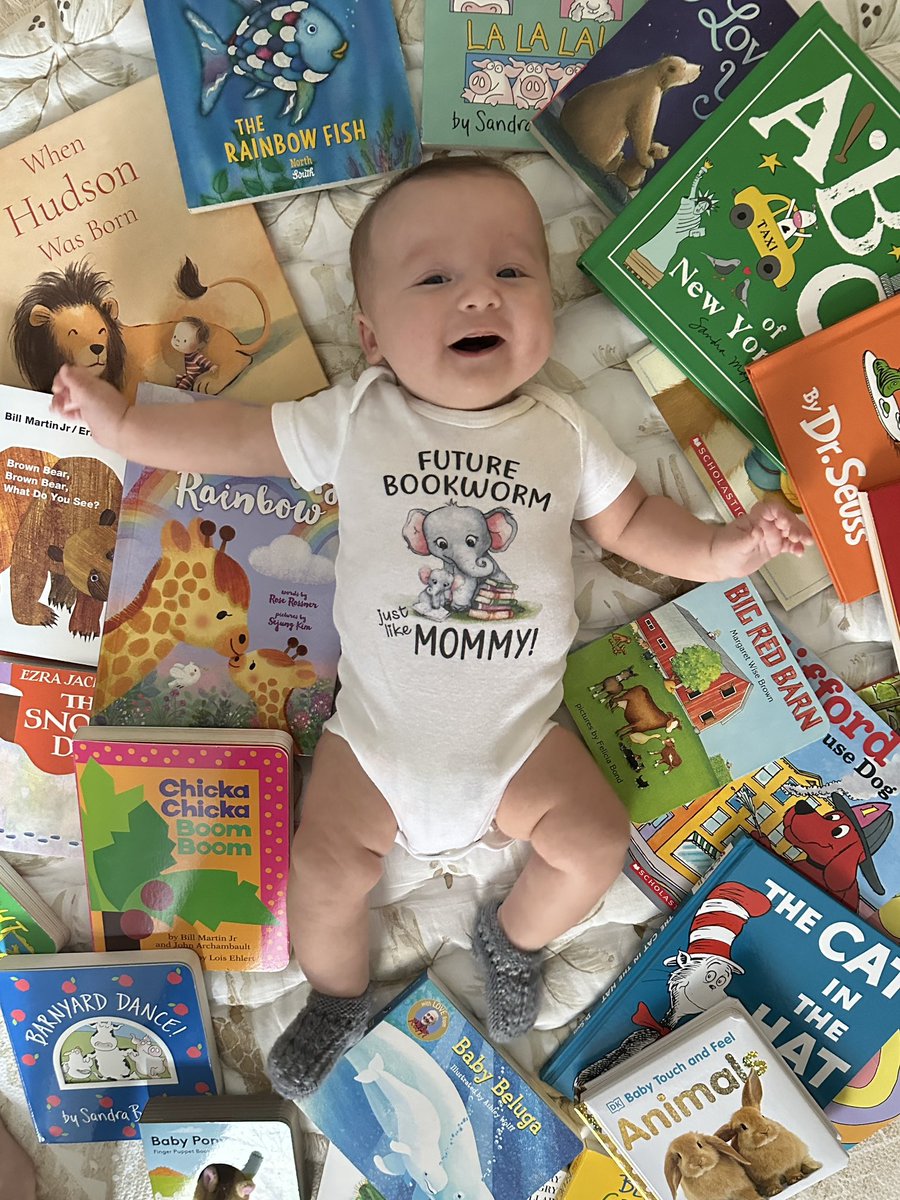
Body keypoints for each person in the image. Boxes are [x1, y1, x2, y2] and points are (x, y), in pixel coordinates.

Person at [50, 155, 811, 1100]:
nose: (480, 295)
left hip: (520, 741)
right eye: (437, 278)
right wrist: (126, 432)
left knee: (595, 841)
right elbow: (240, 440)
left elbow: (634, 526)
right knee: (320, 874)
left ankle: (514, 936)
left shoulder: (563, 429)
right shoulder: (360, 416)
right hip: (375, 743)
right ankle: (335, 994)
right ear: (370, 334)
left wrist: (729, 548)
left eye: (512, 271)